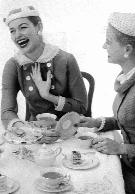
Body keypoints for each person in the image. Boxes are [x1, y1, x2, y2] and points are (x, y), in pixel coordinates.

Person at [76, 12, 135, 194]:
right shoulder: (131, 77)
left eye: (108, 41)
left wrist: (120, 147)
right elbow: (131, 121)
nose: (103, 46)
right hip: (132, 166)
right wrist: (97, 122)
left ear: (127, 50)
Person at [1, 5, 87, 143]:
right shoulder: (13, 65)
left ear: (38, 27)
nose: (17, 35)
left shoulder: (66, 59)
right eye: (12, 31)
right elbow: (6, 111)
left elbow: (81, 107)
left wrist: (48, 96)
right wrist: (25, 129)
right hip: (34, 134)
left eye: (23, 27)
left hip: (69, 132)